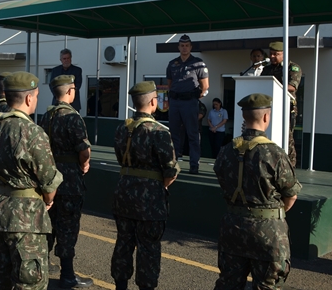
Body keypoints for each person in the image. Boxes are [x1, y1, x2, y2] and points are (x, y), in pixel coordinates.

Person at [0, 71, 63, 290]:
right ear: (28, 98)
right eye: (35, 96)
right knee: (28, 283)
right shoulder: (32, 132)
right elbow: (49, 180)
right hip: (26, 218)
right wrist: (47, 199)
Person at [213, 93, 302, 290]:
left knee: (228, 283)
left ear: (244, 117)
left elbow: (222, 181)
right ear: (266, 117)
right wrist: (271, 216)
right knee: (267, 285)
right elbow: (291, 195)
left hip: (232, 228)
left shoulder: (226, 151)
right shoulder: (275, 154)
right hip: (268, 233)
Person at [111, 81, 180, 290]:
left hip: (124, 192)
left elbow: (119, 159)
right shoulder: (159, 131)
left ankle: (120, 285)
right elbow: (171, 170)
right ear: (153, 101)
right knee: (148, 247)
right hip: (150, 198)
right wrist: (160, 185)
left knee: (123, 242)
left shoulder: (122, 128)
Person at [38, 75, 93, 288]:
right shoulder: (73, 117)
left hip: (50, 177)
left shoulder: (46, 116)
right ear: (70, 91)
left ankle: (42, 267)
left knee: (49, 224)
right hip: (69, 179)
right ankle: (68, 275)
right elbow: (83, 150)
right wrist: (84, 165)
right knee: (68, 227)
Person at [166, 34, 209, 174]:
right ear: (178, 47)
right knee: (174, 134)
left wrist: (195, 97)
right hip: (175, 103)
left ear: (191, 47)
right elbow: (169, 85)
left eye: (187, 46)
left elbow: (205, 86)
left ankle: (194, 165)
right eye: (182, 46)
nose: (184, 48)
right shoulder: (172, 63)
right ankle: (172, 164)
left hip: (190, 103)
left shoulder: (198, 63)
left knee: (192, 134)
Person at [261, 41, 302, 167]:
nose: (272, 56)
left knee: (287, 138)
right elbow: (261, 84)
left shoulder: (292, 68)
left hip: (286, 107)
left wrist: (275, 86)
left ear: (284, 54)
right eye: (271, 54)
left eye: (276, 54)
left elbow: (292, 87)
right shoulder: (267, 69)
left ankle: (290, 167)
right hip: (268, 107)